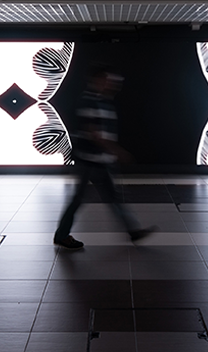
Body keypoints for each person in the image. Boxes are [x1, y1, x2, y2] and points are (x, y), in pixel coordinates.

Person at [54, 65, 155, 249]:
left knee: (110, 198)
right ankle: (62, 235)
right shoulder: (89, 102)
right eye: (108, 80)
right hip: (89, 161)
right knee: (82, 199)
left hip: (99, 160)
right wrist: (116, 151)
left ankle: (133, 231)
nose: (113, 84)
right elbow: (94, 133)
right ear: (97, 80)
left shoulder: (102, 102)